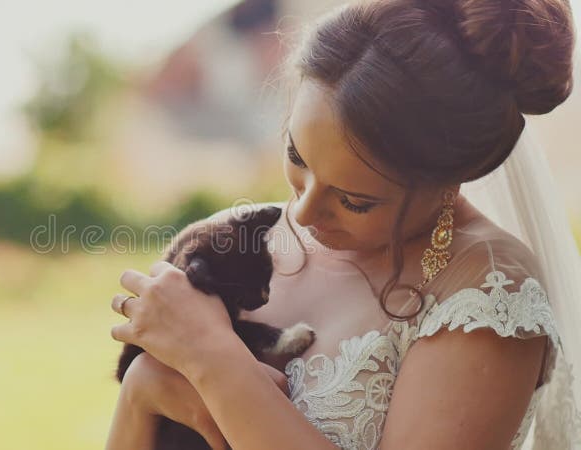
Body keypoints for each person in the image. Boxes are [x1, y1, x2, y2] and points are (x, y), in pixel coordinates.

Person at [106, 0, 581, 448]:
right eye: (297, 156)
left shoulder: (485, 293)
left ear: (451, 180)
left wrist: (210, 357)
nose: (304, 213)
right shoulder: (231, 239)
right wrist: (140, 388)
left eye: (355, 200)